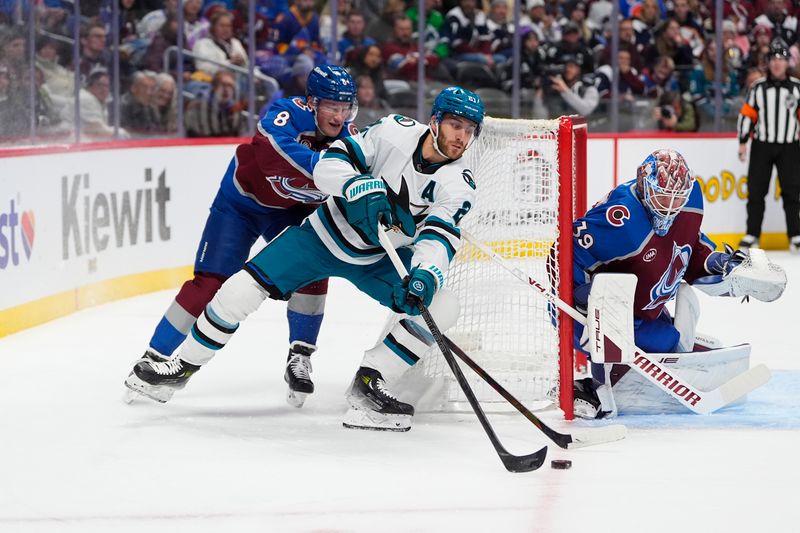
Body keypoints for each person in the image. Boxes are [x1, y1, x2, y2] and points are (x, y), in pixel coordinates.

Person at [125, 86, 485, 433]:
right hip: (321, 237)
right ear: (435, 122)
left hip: (378, 258)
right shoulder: (394, 131)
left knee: (443, 305)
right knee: (239, 289)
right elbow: (333, 161)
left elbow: (439, 235)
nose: (461, 137)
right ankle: (180, 367)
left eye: (469, 130)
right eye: (456, 125)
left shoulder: (460, 182)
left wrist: (425, 273)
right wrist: (356, 185)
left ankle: (370, 380)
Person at [124, 65, 359, 408]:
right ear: (311, 102)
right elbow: (274, 153)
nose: (339, 116)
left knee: (314, 270)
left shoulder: (350, 137)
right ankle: (155, 355)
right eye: (331, 107)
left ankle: (301, 355)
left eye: (344, 107)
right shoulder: (284, 114)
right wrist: (330, 166)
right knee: (209, 283)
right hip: (241, 205)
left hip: (291, 212)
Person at [568, 149, 761, 419]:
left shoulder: (691, 198)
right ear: (644, 186)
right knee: (667, 345)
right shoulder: (619, 217)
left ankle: (653, 354)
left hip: (641, 310)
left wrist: (721, 264)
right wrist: (581, 300)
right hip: (592, 313)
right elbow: (563, 251)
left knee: (672, 343)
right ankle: (589, 387)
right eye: (662, 196)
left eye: (676, 198)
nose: (670, 206)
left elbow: (689, 246)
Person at [737, 38, 800, 252]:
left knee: (792, 192)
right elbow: (748, 115)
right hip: (762, 145)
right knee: (756, 191)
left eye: (781, 59)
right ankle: (752, 234)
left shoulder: (797, 88)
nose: (777, 63)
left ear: (787, 63)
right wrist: (743, 141)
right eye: (773, 58)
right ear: (768, 62)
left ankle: (796, 234)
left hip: (789, 146)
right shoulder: (758, 87)